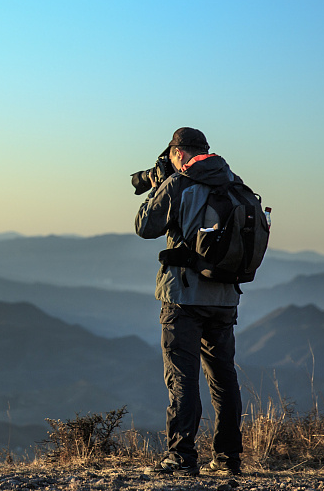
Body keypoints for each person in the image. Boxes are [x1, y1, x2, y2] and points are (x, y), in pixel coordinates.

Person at [134, 127, 243, 476]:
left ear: (177, 153)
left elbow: (144, 226)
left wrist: (157, 186)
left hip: (183, 297)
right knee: (224, 378)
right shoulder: (234, 182)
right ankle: (228, 459)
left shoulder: (179, 183)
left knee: (183, 378)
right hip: (225, 297)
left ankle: (181, 457)